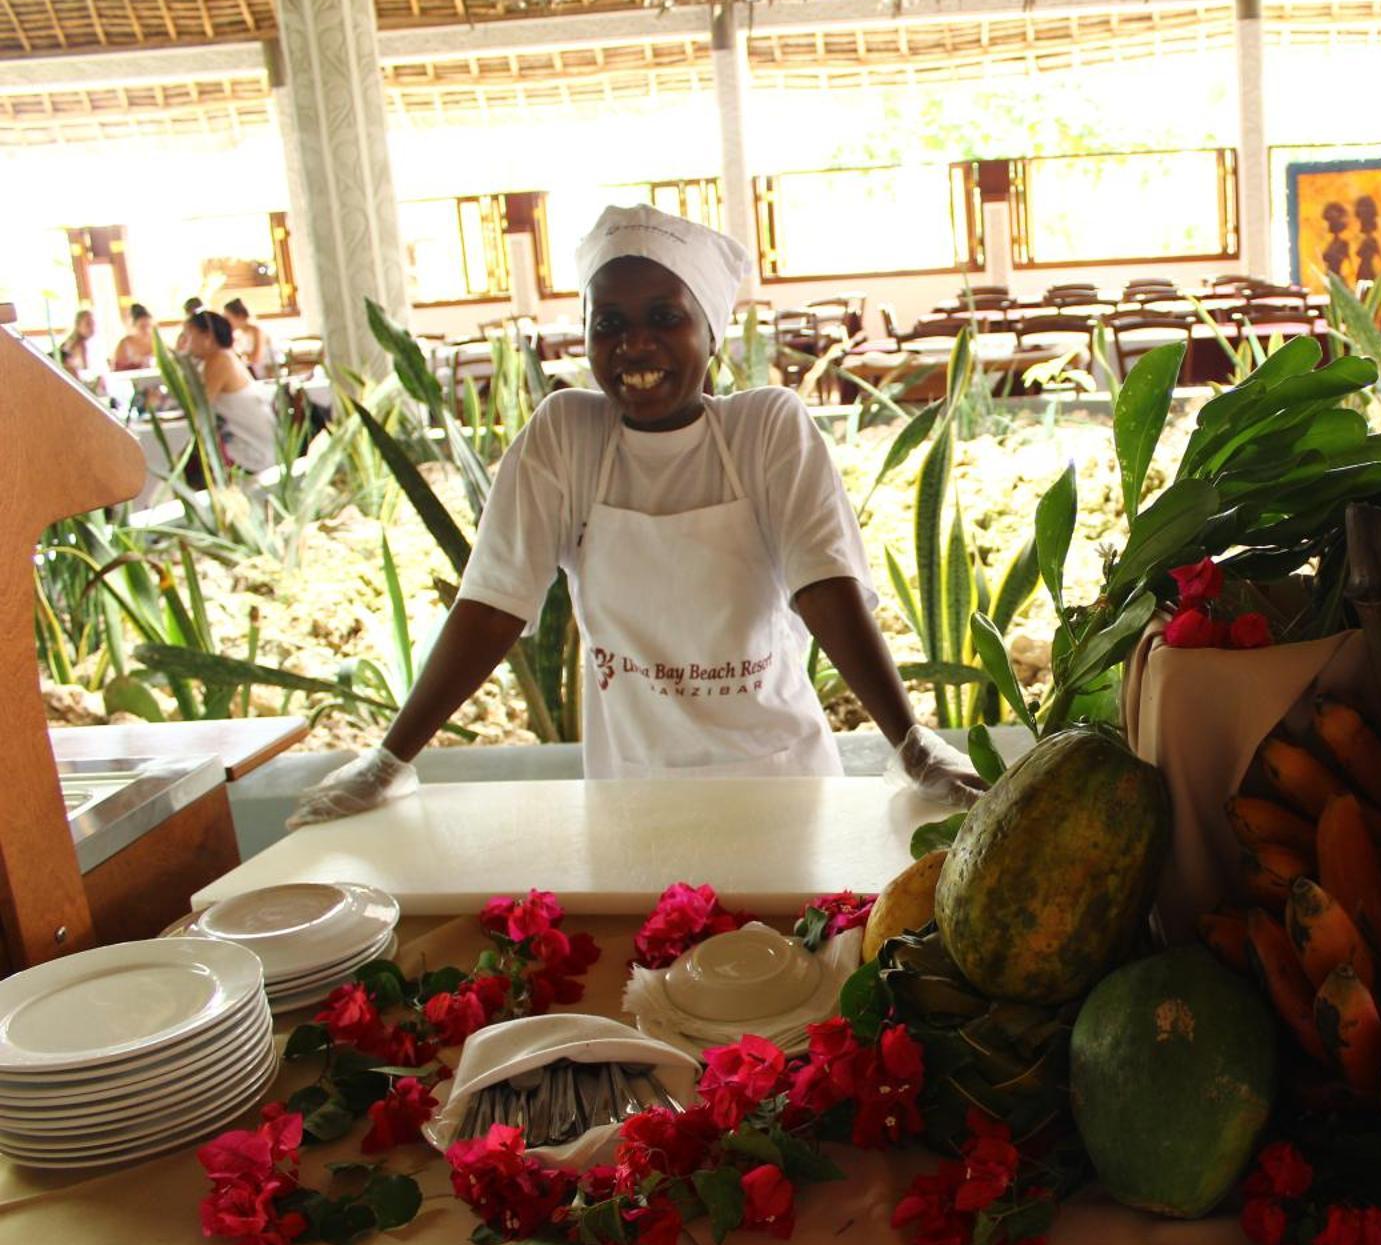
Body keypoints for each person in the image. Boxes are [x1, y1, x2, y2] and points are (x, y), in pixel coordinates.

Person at [288, 203, 983, 826]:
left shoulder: (765, 428)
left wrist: (911, 742)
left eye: (664, 317)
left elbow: (822, 586)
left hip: (782, 788)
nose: (635, 343)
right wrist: (388, 759)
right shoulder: (567, 436)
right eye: (610, 323)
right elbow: (491, 606)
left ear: (711, 334)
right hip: (631, 797)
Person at [183, 310, 278, 476]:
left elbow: (201, 407)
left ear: (207, 337)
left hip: (254, 448)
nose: (186, 342)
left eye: (189, 335)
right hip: (254, 441)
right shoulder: (222, 357)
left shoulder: (219, 359)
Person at [223, 298, 271, 377]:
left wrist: (242, 357)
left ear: (239, 316)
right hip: (251, 370)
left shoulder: (256, 331)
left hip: (265, 371)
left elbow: (256, 357)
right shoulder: (238, 334)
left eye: (228, 318)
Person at [111, 303, 155, 370]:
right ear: (134, 326)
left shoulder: (156, 342)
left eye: (149, 326)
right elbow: (116, 368)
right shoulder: (124, 343)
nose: (147, 330)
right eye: (142, 327)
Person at [57, 308, 95, 377]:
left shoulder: (85, 344)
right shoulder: (71, 346)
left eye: (93, 324)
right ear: (78, 326)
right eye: (88, 324)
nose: (92, 328)